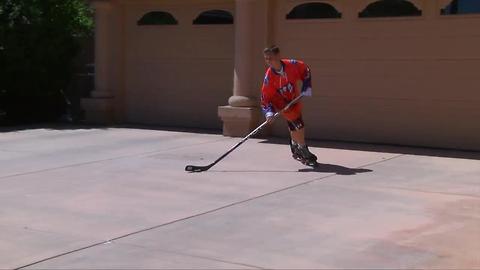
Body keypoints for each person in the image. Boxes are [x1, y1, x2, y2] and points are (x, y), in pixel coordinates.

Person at [261, 45, 317, 165]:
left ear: (278, 56)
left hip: (293, 98)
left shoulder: (292, 65)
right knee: (298, 123)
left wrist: (306, 86)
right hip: (280, 102)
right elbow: (265, 97)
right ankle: (302, 148)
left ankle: (295, 145)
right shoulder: (269, 77)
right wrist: (269, 112)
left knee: (294, 124)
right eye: (266, 59)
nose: (268, 61)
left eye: (270, 58)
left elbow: (305, 70)